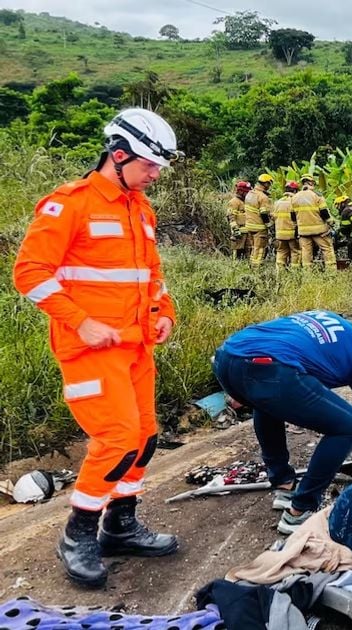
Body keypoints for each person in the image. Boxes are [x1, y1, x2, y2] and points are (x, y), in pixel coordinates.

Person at [12, 108, 181, 588]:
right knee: (118, 439)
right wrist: (81, 322)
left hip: (136, 346)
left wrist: (164, 311)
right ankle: (77, 534)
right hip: (90, 350)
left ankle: (120, 526)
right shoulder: (70, 204)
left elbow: (150, 274)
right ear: (119, 154)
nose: (155, 175)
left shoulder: (140, 208)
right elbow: (29, 274)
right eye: (149, 165)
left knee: (145, 436)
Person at [212, 308, 352, 534]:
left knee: (266, 401)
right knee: (349, 425)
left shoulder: (328, 317)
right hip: (269, 368)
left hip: (227, 357)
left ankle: (284, 485)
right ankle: (300, 511)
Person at [293, 174, 336, 271]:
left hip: (303, 231)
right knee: (327, 249)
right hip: (319, 231)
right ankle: (331, 272)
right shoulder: (317, 195)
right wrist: (330, 222)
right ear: (311, 182)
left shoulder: (295, 197)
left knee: (306, 253)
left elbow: (293, 216)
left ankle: (307, 274)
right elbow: (324, 212)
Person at [243, 174, 274, 267]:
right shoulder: (263, 197)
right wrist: (269, 224)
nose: (269, 186)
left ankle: (251, 265)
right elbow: (264, 213)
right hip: (259, 227)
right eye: (269, 184)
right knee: (259, 248)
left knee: (253, 248)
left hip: (249, 225)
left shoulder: (250, 194)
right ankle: (257, 268)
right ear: (266, 184)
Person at [273, 181, 301, 271]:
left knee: (281, 253)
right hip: (292, 233)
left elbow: (273, 217)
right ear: (295, 191)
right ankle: (295, 272)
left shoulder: (277, 202)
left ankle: (279, 273)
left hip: (280, 234)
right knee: (295, 252)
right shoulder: (295, 201)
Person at [335, 195, 352, 267]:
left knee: (351, 243)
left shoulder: (346, 211)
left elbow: (345, 230)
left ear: (342, 203)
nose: (338, 209)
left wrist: (338, 237)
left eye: (338, 206)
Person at [227, 181, 252, 260]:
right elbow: (231, 216)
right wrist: (235, 230)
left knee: (248, 253)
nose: (247, 194)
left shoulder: (245, 202)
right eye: (246, 192)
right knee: (238, 253)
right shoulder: (234, 202)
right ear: (240, 191)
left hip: (247, 232)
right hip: (239, 233)